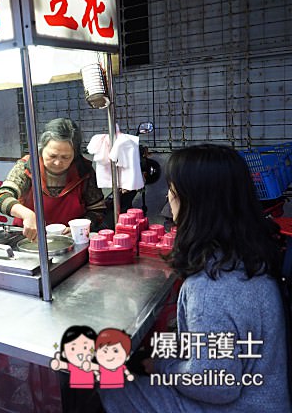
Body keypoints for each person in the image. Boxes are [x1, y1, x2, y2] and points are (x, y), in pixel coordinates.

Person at [99, 144, 291, 412]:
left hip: (239, 404)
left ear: (195, 203)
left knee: (116, 389)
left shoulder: (211, 285)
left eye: (173, 191)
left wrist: (160, 366)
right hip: (266, 396)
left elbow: (216, 385)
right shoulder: (246, 255)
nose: (168, 196)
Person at [0, 118, 106, 240]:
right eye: (52, 156)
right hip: (27, 239)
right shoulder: (28, 166)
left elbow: (97, 210)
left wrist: (80, 227)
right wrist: (28, 215)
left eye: (66, 157)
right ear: (41, 149)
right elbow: (2, 197)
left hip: (71, 241)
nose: (58, 162)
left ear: (75, 154)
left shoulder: (83, 171)